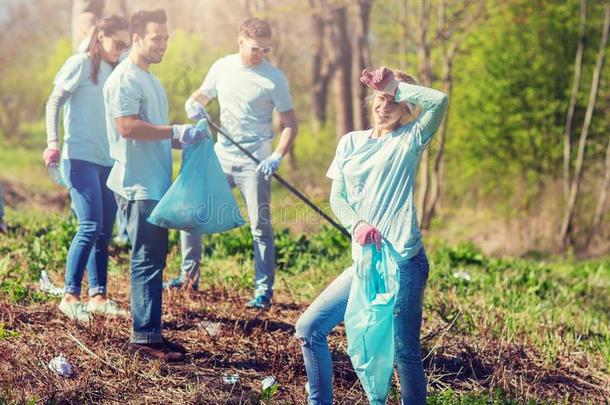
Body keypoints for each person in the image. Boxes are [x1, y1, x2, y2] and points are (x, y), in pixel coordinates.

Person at [294, 67, 448, 405]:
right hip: (365, 262)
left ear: (407, 108)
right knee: (309, 329)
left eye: (395, 101)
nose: (386, 105)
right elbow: (338, 197)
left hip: (403, 262)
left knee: (405, 351)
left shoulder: (409, 140)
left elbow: (439, 102)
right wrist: (357, 224)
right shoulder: (350, 142)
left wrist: (395, 86)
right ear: (371, 100)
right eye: (381, 98)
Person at [170, 17, 298, 310]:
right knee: (193, 211)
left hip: (256, 162)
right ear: (240, 42)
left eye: (266, 49)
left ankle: (263, 291)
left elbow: (291, 124)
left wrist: (277, 154)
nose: (260, 54)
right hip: (222, 156)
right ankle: (189, 276)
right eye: (255, 48)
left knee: (260, 227)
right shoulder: (222, 67)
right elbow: (201, 96)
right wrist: (194, 104)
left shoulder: (274, 78)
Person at [103, 8, 208, 362]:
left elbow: (153, 133)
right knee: (147, 259)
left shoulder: (151, 79)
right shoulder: (125, 79)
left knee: (155, 258)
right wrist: (175, 130)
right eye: (156, 38)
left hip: (155, 184)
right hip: (137, 185)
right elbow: (127, 127)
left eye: (166, 38)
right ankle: (143, 340)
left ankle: (152, 334)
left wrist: (183, 139)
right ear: (136, 39)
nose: (163, 44)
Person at [43, 15, 130, 322]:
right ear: (100, 37)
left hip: (107, 161)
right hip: (78, 157)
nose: (121, 49)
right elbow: (54, 102)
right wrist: (53, 142)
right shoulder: (80, 64)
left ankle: (98, 296)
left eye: (126, 45)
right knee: (90, 225)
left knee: (105, 232)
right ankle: (70, 296)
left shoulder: (117, 71)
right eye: (117, 43)